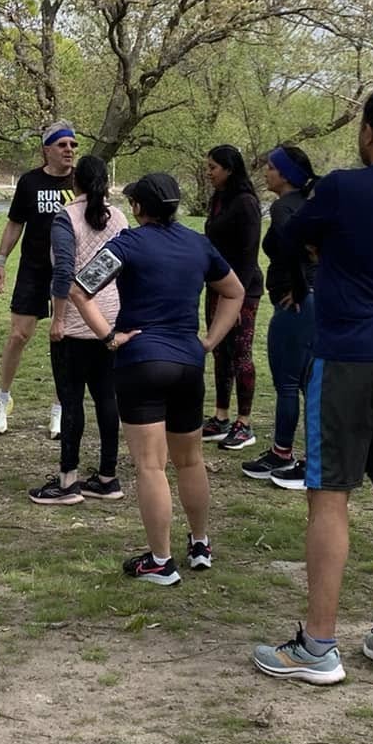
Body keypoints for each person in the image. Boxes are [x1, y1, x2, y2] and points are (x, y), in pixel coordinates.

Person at [251, 88, 373, 685]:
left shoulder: (342, 186)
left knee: (330, 492)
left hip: (349, 353)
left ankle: (319, 644)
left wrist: (327, 245)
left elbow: (288, 236)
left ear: (367, 131)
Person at [67, 171, 244, 585]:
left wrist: (109, 336)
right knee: (190, 460)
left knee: (151, 465)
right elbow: (235, 291)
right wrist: (209, 341)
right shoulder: (198, 243)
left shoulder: (128, 242)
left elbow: (80, 289)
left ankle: (161, 560)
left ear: (140, 207)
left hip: (141, 361)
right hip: (188, 362)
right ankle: (200, 543)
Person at [29, 153, 125, 505]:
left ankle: (68, 480)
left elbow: (63, 270)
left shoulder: (65, 218)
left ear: (75, 182)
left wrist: (57, 318)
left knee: (71, 401)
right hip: (110, 321)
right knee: (106, 398)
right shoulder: (118, 218)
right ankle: (107, 476)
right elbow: (125, 267)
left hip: (74, 324)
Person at [0, 122, 78, 435]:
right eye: (62, 145)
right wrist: (0, 261)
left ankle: (59, 408)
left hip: (69, 271)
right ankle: (2, 400)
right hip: (33, 269)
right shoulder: (30, 182)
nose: (69, 150)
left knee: (65, 339)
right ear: (47, 149)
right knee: (18, 335)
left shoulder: (82, 182)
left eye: (72, 145)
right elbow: (15, 224)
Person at [242, 144, 319, 489]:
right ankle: (305, 455)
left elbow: (294, 244)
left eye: (271, 167)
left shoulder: (285, 207)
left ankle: (283, 453)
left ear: (286, 175)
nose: (266, 173)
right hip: (317, 303)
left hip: (297, 306)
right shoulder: (311, 204)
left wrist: (302, 287)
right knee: (309, 383)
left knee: (289, 383)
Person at [200, 144, 264, 450]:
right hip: (215, 286)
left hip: (242, 290)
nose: (209, 172)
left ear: (229, 169)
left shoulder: (246, 203)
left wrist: (237, 299)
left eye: (213, 167)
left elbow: (250, 253)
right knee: (219, 350)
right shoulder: (218, 200)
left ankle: (244, 422)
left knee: (241, 353)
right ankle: (220, 416)